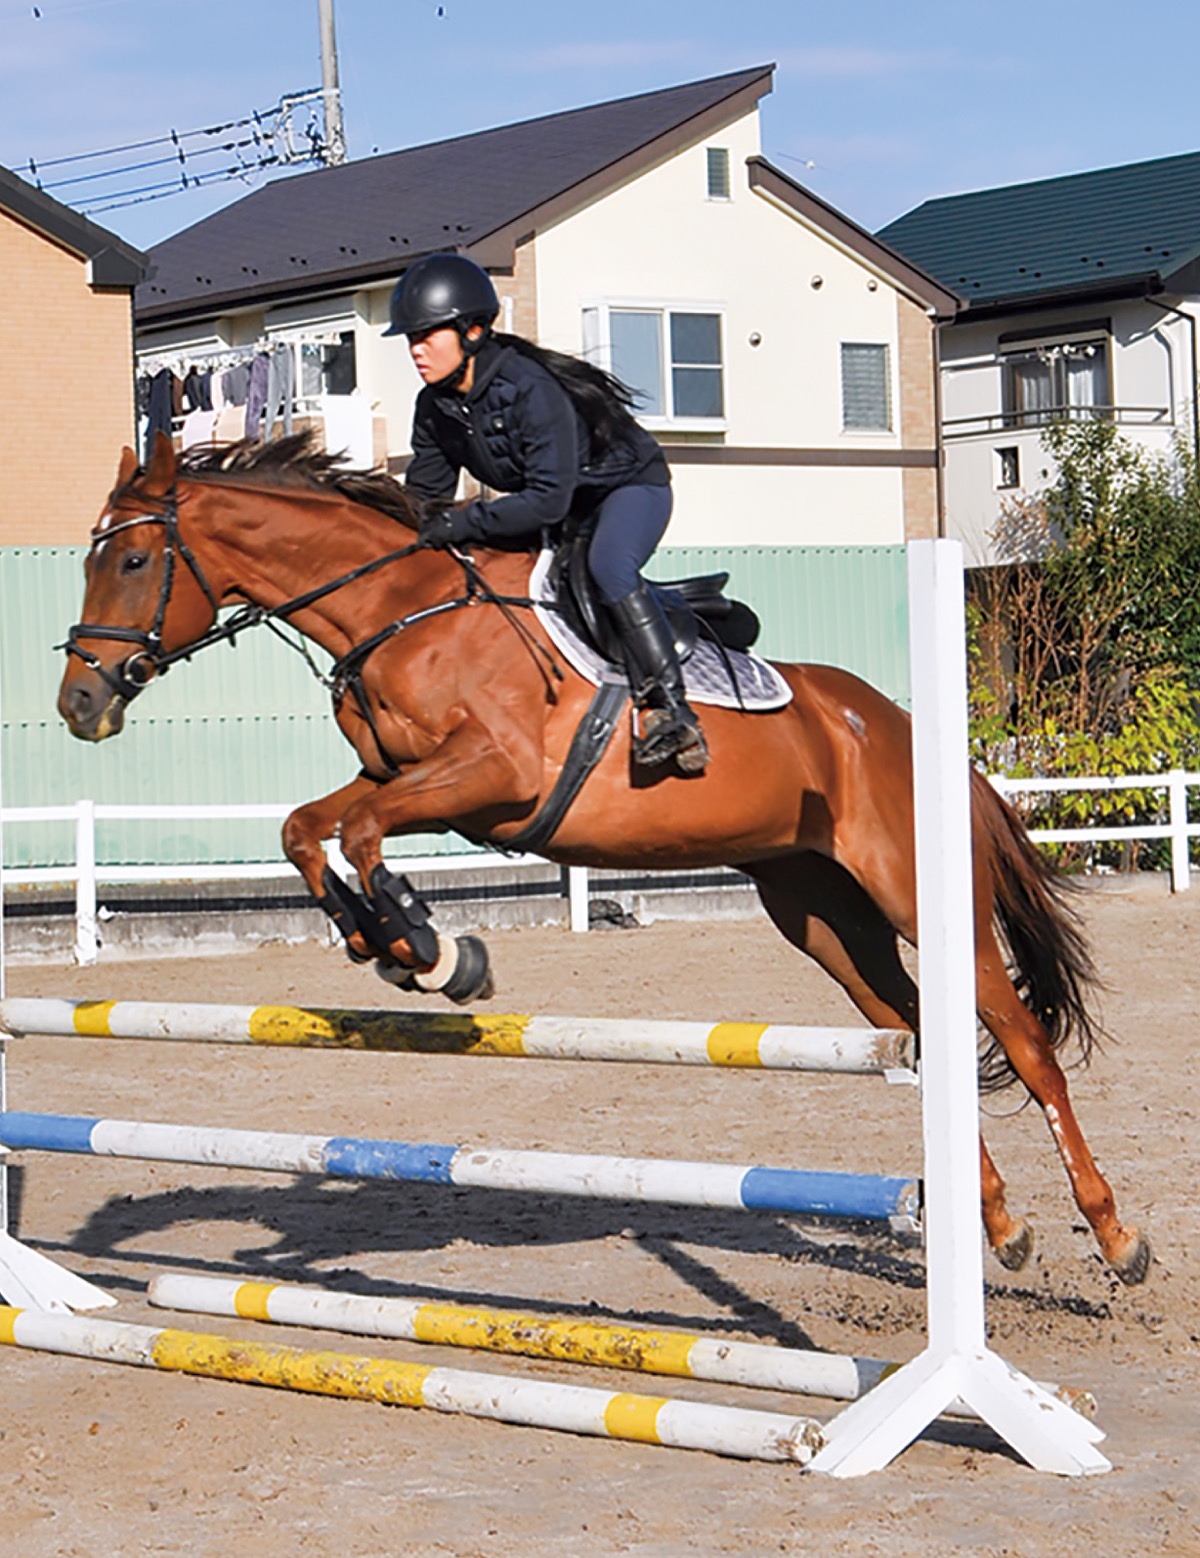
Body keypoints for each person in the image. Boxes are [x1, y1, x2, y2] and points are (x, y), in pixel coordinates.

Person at [385, 252, 709, 774]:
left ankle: (671, 712)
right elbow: (426, 503)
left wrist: (460, 523)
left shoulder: (531, 389)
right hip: (559, 504)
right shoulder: (434, 407)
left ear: (471, 331)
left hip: (627, 490)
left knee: (608, 568)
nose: (416, 351)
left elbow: (545, 502)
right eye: (410, 340)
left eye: (426, 336)